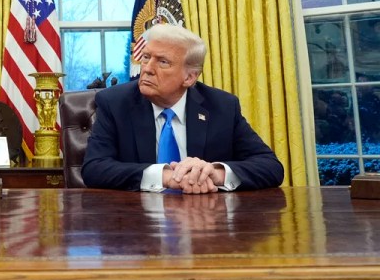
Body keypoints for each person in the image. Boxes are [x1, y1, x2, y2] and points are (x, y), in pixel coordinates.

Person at [82, 23, 284, 193]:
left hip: (206, 225)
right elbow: (94, 169)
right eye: (145, 57)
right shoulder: (115, 103)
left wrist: (214, 173)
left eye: (162, 62)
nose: (147, 69)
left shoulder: (222, 107)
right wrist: (167, 177)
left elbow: (271, 167)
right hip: (136, 224)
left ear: (189, 77)